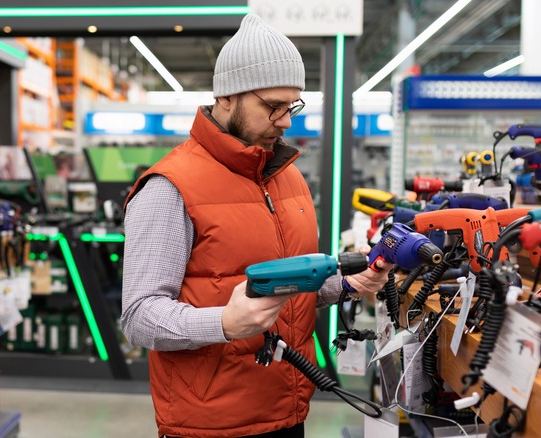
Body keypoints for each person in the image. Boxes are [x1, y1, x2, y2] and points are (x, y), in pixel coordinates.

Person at [121, 14, 392, 438]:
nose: (286, 120)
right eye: (272, 106)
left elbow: (288, 288)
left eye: (293, 105)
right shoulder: (169, 187)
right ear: (226, 97)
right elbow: (139, 317)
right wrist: (224, 324)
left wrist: (352, 284)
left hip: (288, 409)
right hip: (211, 425)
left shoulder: (288, 177)